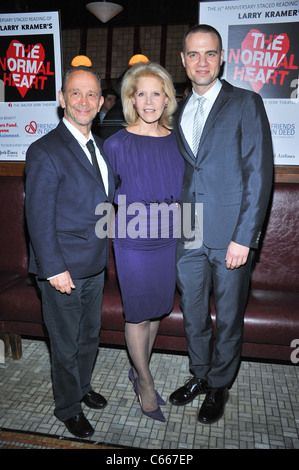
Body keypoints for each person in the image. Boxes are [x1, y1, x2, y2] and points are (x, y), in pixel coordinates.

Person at [169, 25, 273, 424]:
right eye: (193, 54)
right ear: (183, 60)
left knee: (228, 316)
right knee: (193, 312)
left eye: (209, 53)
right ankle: (199, 374)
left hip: (231, 236)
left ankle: (219, 386)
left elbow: (259, 174)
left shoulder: (246, 102)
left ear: (222, 58)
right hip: (188, 233)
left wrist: (244, 238)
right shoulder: (176, 110)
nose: (201, 62)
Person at [25, 65, 115, 438]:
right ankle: (67, 407)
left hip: (94, 264)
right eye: (75, 93)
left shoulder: (102, 145)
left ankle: (81, 387)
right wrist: (53, 269)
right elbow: (38, 218)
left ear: (100, 103)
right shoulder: (44, 149)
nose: (83, 101)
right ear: (61, 99)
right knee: (64, 344)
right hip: (63, 269)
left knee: (88, 336)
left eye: (91, 94)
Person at [103, 62, 184, 423]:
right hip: (132, 239)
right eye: (141, 94)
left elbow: (187, 194)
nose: (149, 101)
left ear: (167, 98)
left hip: (168, 237)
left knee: (157, 308)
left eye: (156, 93)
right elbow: (103, 197)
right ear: (131, 100)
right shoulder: (117, 143)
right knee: (138, 311)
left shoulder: (179, 141)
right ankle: (146, 383)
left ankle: (139, 368)